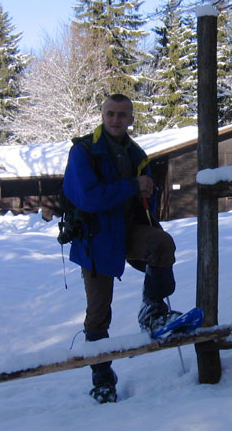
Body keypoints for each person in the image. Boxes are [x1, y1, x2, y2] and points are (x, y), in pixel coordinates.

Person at [63, 93, 180, 404]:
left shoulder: (138, 154)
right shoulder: (84, 152)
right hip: (96, 240)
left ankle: (152, 311)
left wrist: (148, 200)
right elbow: (88, 198)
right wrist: (131, 186)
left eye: (122, 115)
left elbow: (148, 200)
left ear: (131, 119)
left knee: (162, 244)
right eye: (110, 114)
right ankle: (102, 377)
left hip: (128, 232)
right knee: (98, 315)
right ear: (103, 116)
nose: (115, 120)